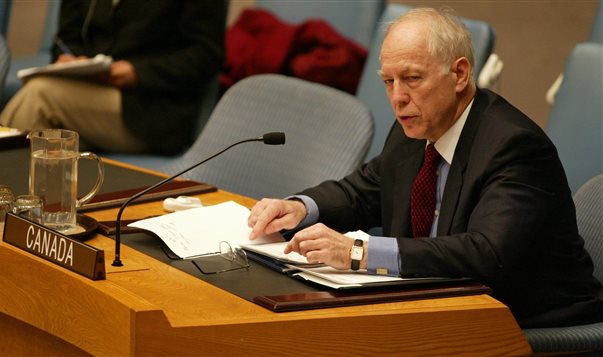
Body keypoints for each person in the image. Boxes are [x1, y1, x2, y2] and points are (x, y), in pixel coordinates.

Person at [247, 7, 603, 328]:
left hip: (524, 319)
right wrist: (298, 208)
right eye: (388, 81)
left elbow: (485, 253)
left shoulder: (515, 147)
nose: (398, 97)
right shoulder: (413, 130)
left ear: (460, 74)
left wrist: (359, 253)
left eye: (413, 79)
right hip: (434, 306)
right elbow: (360, 191)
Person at [0, 0, 226, 155]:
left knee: (39, 95)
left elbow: (205, 55)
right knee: (48, 138)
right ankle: (40, 215)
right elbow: (66, 37)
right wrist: (68, 58)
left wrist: (136, 72)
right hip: (83, 88)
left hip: (149, 106)